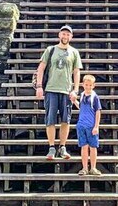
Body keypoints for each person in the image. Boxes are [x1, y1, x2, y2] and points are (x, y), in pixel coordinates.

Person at [34, 25, 83, 160]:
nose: (65, 36)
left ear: (71, 37)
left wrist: (76, 90)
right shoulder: (50, 50)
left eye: (68, 34)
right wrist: (39, 86)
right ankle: (51, 147)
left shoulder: (74, 52)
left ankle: (62, 147)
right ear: (59, 35)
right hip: (51, 88)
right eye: (63, 34)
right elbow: (41, 68)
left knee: (65, 120)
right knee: (50, 119)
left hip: (66, 90)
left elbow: (76, 72)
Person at [74, 74, 102, 176]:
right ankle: (85, 167)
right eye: (86, 85)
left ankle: (93, 167)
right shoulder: (81, 95)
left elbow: (98, 111)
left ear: (93, 85)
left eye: (90, 85)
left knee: (93, 147)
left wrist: (96, 126)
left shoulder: (95, 97)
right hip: (81, 125)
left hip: (91, 125)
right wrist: (74, 101)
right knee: (84, 147)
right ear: (83, 84)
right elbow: (81, 108)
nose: (88, 87)